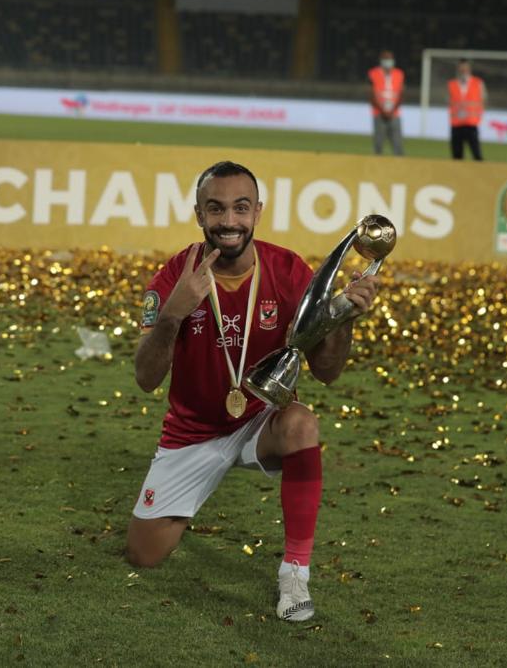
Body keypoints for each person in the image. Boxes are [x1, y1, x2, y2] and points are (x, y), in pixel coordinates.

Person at [126, 161, 380, 622]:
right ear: (199, 215)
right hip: (193, 432)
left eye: (240, 208)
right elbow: (145, 378)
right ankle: (192, 494)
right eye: (216, 209)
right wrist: (173, 315)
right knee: (144, 556)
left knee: (302, 421)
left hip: (263, 422)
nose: (229, 221)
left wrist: (343, 320)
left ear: (257, 212)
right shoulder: (173, 277)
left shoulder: (287, 271)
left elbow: (327, 372)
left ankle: (294, 572)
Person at [447, 59, 487, 160]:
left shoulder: (478, 83)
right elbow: (449, 101)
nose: (463, 70)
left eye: (465, 68)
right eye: (461, 68)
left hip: (471, 123)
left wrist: (479, 115)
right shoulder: (452, 84)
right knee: (456, 155)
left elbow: (483, 100)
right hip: (456, 124)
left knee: (477, 155)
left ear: (469, 69)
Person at [368, 50, 405, 156]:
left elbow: (401, 94)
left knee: (398, 145)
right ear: (381, 60)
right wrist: (382, 110)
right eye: (386, 59)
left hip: (395, 114)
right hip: (378, 113)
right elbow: (371, 94)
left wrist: (392, 110)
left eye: (390, 59)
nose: (388, 61)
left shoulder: (399, 74)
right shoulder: (373, 73)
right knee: (378, 145)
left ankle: (401, 168)